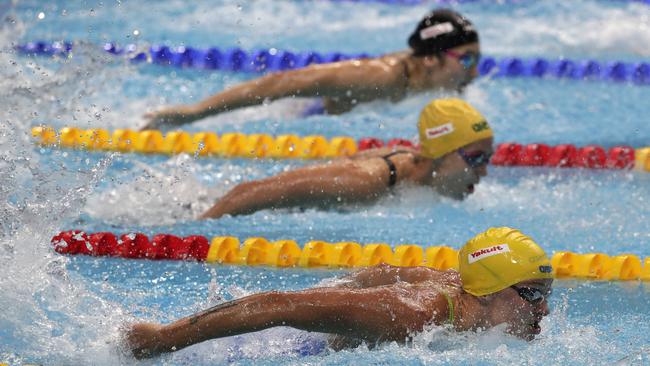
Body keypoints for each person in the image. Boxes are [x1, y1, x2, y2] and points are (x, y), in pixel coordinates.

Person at [125, 226, 554, 359]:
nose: (545, 310)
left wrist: (341, 289)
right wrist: (163, 339)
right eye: (533, 296)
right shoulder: (413, 313)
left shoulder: (462, 287)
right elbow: (279, 305)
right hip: (294, 351)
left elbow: (385, 270)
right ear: (488, 290)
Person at [142, 9, 481, 130]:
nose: (474, 74)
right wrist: (194, 112)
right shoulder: (379, 75)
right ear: (432, 58)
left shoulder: (433, 78)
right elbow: (283, 82)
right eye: (466, 61)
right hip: (306, 117)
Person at [199, 98, 494, 219]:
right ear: (440, 153)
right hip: (213, 206)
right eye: (475, 158)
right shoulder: (365, 181)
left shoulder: (415, 177)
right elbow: (248, 193)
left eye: (487, 159)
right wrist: (196, 226)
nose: (483, 172)